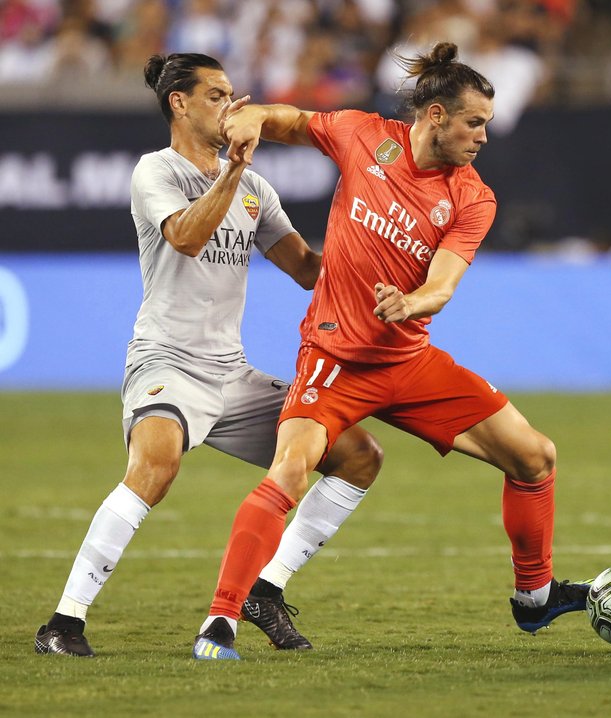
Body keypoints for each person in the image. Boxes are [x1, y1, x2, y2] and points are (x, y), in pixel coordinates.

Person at [191, 41, 589, 661]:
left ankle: (535, 597)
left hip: (407, 359)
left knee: (536, 457)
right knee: (292, 471)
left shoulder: (472, 196)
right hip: (334, 358)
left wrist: (413, 303)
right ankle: (221, 620)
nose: (484, 135)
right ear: (435, 116)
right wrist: (254, 115)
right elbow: (290, 121)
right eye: (474, 122)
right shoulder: (362, 137)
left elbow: (445, 282)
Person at [33, 53, 383, 658]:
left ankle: (266, 589)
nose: (232, 106)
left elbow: (306, 270)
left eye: (232, 95)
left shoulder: (255, 189)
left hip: (232, 373)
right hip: (166, 362)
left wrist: (368, 247)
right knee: (156, 464)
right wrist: (232, 173)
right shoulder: (155, 172)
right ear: (180, 102)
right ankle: (64, 624)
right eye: (218, 95)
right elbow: (188, 238)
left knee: (357, 455)